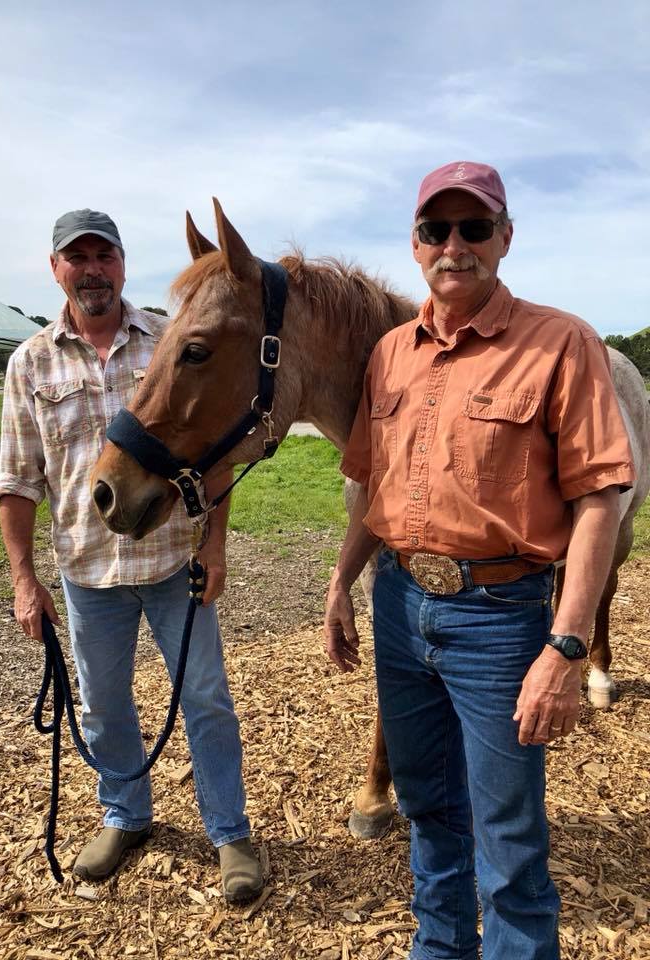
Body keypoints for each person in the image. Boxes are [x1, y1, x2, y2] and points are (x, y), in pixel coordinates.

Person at [323, 162, 635, 960]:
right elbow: (375, 483)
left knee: (508, 834)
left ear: (505, 238)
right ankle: (441, 947)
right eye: (437, 229)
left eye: (475, 228)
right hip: (400, 607)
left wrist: (567, 645)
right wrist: (341, 582)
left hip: (498, 616)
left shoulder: (561, 343)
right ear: (416, 243)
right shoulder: (391, 353)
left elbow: (600, 498)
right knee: (428, 809)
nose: (454, 245)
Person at [0, 209, 263, 902]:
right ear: (56, 268)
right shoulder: (31, 364)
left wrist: (216, 543)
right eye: (77, 257)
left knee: (206, 699)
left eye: (103, 256)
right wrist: (23, 579)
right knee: (103, 706)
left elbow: (217, 448)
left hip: (175, 563)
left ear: (121, 263)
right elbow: (17, 480)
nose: (92, 270)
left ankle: (229, 832)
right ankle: (125, 816)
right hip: (87, 571)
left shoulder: (170, 339)